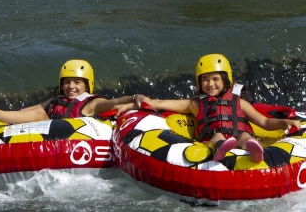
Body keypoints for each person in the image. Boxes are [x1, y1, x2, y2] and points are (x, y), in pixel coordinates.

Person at [121, 53, 302, 163]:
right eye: (205, 80)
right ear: (199, 83)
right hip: (209, 142)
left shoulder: (239, 102)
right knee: (218, 136)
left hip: (239, 138)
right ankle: (221, 148)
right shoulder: (195, 104)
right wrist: (141, 99)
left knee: (245, 136)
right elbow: (161, 104)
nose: (210, 84)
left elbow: (265, 122)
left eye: (216, 79)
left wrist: (286, 122)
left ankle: (254, 151)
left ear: (225, 80)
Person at [0, 59, 138, 125]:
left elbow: (115, 102)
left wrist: (134, 98)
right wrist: (9, 116)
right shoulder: (58, 99)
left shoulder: (92, 103)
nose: (71, 87)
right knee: (39, 110)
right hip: (43, 131)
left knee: (40, 114)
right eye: (67, 82)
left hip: (72, 140)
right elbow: (32, 110)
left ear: (88, 85)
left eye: (77, 82)